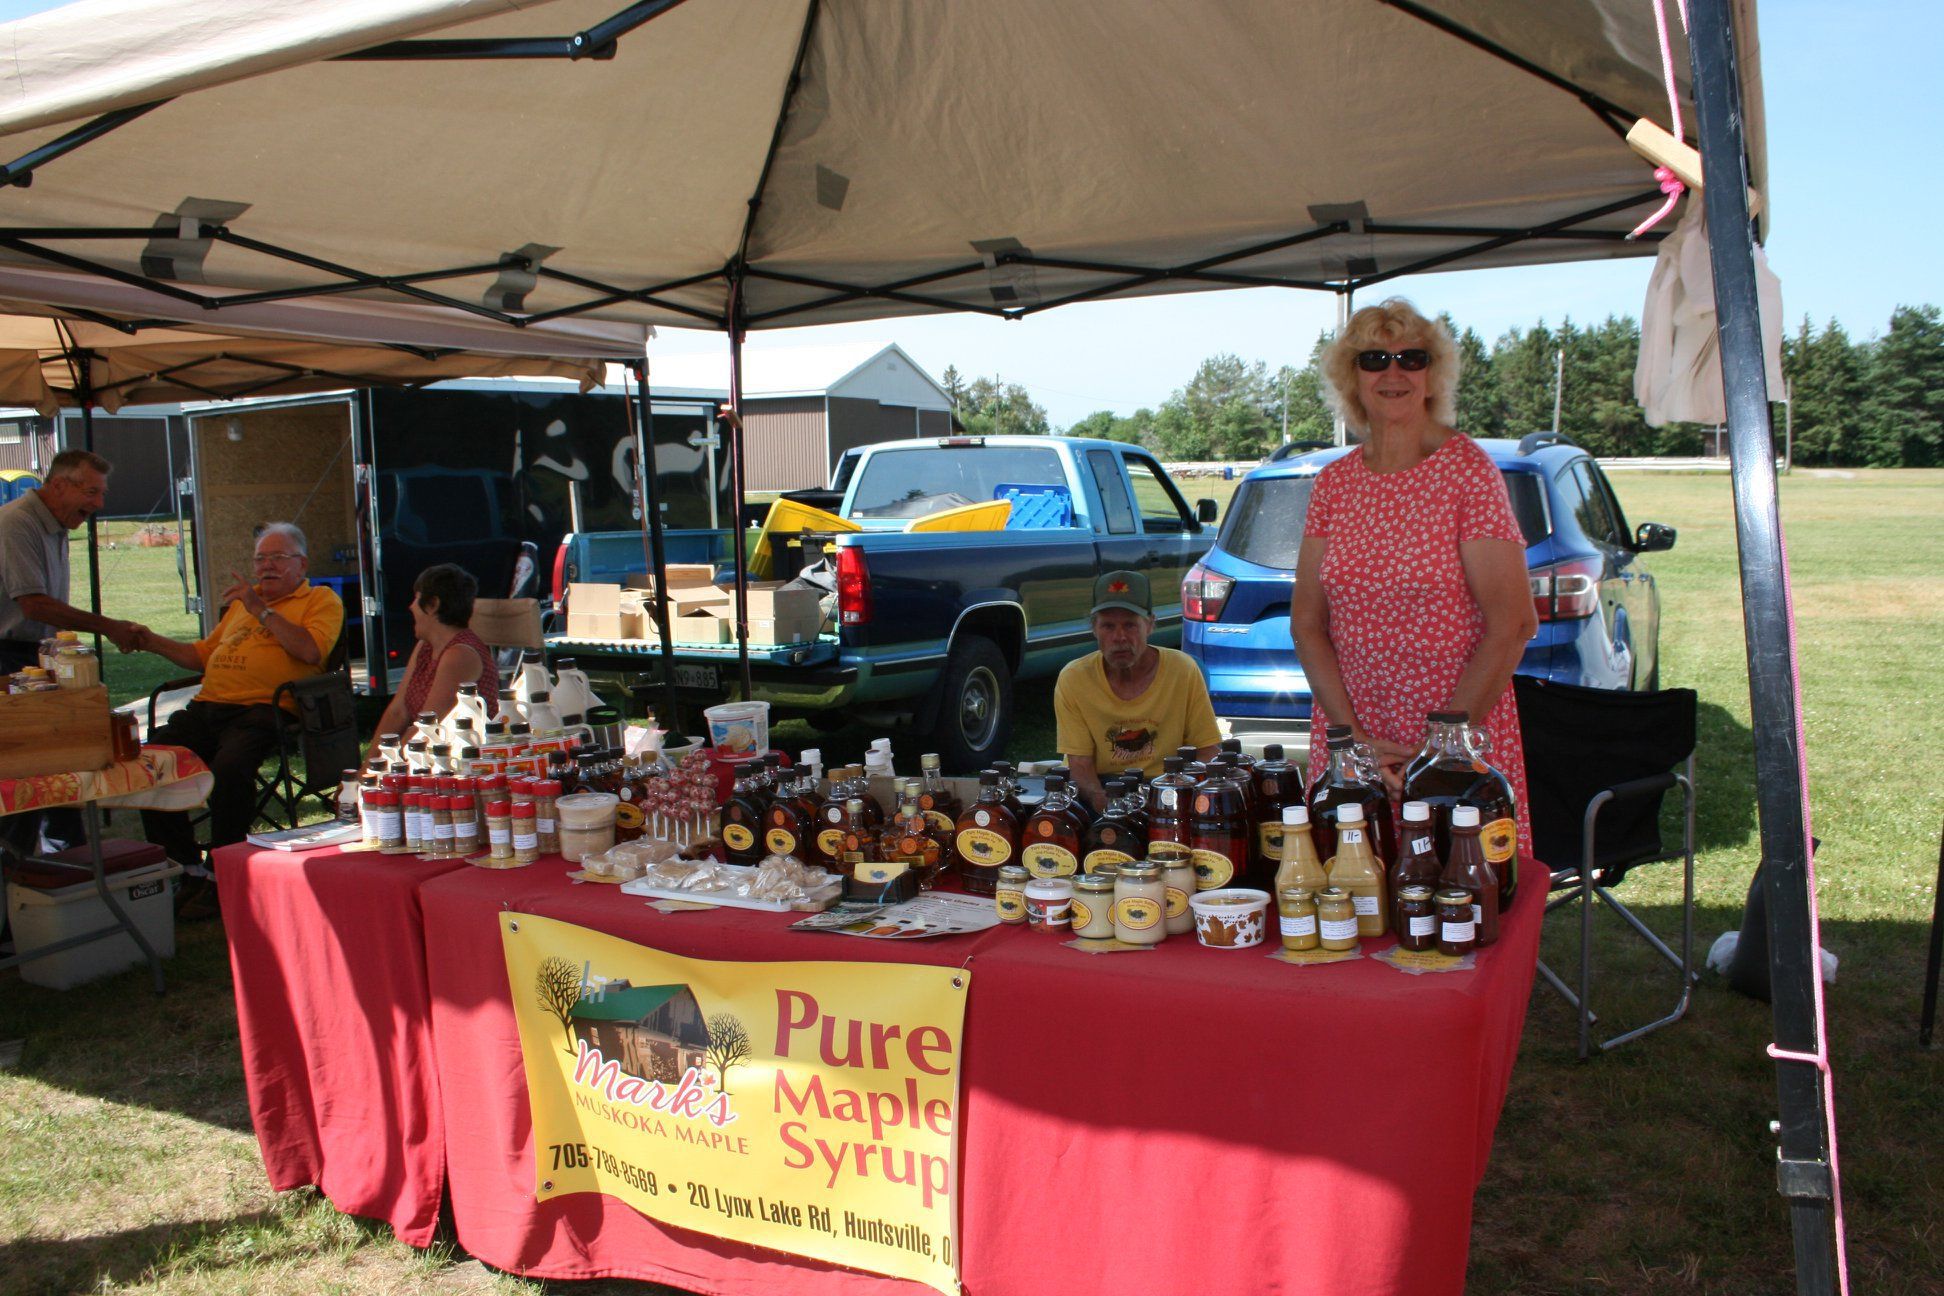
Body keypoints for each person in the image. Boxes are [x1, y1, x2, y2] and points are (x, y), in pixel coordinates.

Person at [1288, 298, 1537, 844]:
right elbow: (1307, 623)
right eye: (1374, 358)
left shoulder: (1468, 471)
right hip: (1353, 734)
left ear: (1433, 373)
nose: (1393, 372)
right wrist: (1352, 740)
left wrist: (1439, 751)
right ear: (1352, 377)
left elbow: (1514, 622)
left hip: (1458, 736)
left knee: (1455, 905)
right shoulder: (1334, 483)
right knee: (1351, 902)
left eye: (1412, 358)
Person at [131, 522, 344, 917]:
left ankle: (222, 874)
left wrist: (260, 610)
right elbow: (200, 657)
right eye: (260, 559)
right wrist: (150, 640)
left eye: (277, 558)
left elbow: (311, 651)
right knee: (152, 759)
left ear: (301, 563)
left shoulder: (319, 600)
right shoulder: (241, 609)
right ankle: (187, 867)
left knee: (230, 768)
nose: (266, 567)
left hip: (264, 710)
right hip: (209, 706)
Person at [1055, 568, 1220, 811]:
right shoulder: (1074, 678)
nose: (1119, 637)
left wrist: (1178, 797)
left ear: (1150, 625)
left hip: (1167, 787)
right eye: (1108, 626)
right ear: (1094, 628)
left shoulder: (1183, 671)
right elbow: (1080, 765)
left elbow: (1207, 751)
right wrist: (1109, 807)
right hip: (1100, 787)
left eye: (1130, 625)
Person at [0, 449, 143, 672]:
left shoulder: (57, 521)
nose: (99, 503)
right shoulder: (17, 523)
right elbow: (35, 605)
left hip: (35, 651)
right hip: (8, 656)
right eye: (91, 492)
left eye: (102, 493)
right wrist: (109, 627)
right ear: (58, 486)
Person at [365, 563, 499, 763]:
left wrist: (381, 768)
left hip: (462, 761)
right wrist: (367, 766)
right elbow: (397, 711)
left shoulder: (460, 655)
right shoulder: (425, 646)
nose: (411, 606)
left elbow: (426, 727)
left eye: (417, 598)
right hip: (424, 755)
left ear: (433, 605)